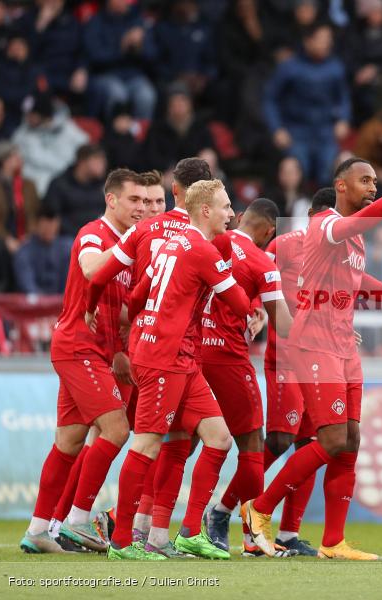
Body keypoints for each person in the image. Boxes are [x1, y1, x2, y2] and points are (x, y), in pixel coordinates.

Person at [242, 152, 382, 560]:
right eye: (365, 181)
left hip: (344, 347)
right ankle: (259, 508)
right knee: (328, 439)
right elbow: (359, 223)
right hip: (314, 345)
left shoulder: (352, 239)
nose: (372, 187)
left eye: (376, 181)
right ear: (341, 186)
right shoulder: (325, 225)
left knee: (351, 440)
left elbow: (358, 280)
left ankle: (333, 542)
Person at [100, 179, 252, 561]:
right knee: (147, 444)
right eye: (225, 207)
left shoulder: (172, 242)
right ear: (206, 210)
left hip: (178, 356)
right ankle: (122, 541)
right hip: (164, 358)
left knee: (218, 438)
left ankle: (187, 533)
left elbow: (138, 295)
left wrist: (148, 327)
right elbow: (239, 303)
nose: (231, 214)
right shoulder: (202, 249)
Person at [83, 158, 211, 557]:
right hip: (162, 353)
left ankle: (136, 527)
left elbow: (113, 283)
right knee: (151, 441)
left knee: (170, 439)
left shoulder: (147, 231)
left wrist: (108, 314)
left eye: (155, 201)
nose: (149, 208)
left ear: (173, 193)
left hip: (148, 346)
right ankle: (119, 527)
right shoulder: (200, 236)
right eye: (143, 202)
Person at [19, 169, 144, 554]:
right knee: (117, 428)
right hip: (79, 346)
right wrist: (125, 250)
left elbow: (120, 310)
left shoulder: (126, 247)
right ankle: (76, 520)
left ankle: (37, 530)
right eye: (134, 200)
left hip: (93, 350)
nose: (141, 208)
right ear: (112, 200)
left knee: (69, 443)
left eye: (145, 201)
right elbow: (91, 268)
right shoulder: (95, 233)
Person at [200, 198, 294, 554]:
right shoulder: (262, 261)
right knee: (254, 445)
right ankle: (244, 530)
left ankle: (138, 524)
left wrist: (254, 309)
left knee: (179, 443)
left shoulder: (207, 241)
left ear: (239, 217)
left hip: (190, 352)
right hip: (227, 358)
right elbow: (285, 326)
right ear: (269, 232)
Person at [249, 188, 335, 558]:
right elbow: (257, 277)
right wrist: (254, 310)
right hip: (286, 354)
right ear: (314, 215)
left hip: (319, 358)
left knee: (312, 443)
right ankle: (228, 507)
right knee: (281, 440)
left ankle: (288, 532)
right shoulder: (285, 245)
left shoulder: (342, 254)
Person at [263, 23, 350, 186]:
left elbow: (343, 97)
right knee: (297, 173)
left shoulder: (335, 67)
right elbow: (270, 99)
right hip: (296, 131)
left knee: (330, 174)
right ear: (308, 41)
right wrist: (277, 128)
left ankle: (327, 203)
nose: (327, 43)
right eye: (322, 39)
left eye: (329, 39)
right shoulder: (289, 67)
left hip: (325, 131)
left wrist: (343, 119)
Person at [43, 144, 108, 236]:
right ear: (82, 162)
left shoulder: (105, 186)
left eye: (103, 161)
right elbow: (51, 219)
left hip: (99, 236)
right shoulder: (60, 185)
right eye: (97, 160)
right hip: (67, 237)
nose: (103, 165)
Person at [13, 206, 71, 294]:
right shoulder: (24, 252)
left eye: (53, 225)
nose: (50, 229)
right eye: (46, 226)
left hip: (62, 299)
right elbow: (28, 285)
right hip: (35, 301)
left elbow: (69, 283)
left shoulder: (67, 248)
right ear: (36, 225)